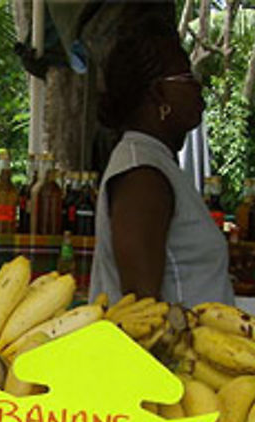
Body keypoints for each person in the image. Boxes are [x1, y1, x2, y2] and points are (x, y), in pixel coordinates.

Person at [88, 20, 235, 307]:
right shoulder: (142, 174)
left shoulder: (155, 162)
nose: (198, 87)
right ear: (158, 94)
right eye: (187, 78)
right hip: (169, 353)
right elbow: (143, 312)